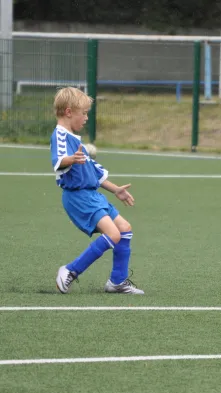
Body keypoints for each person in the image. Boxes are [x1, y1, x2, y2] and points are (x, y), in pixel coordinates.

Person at [50, 87, 144, 294]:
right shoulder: (60, 136)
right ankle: (70, 271)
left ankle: (117, 281)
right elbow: (58, 161)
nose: (85, 118)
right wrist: (70, 159)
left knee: (125, 229)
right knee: (114, 234)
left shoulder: (75, 140)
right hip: (79, 197)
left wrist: (115, 189)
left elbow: (94, 172)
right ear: (68, 112)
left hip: (93, 195)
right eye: (83, 113)